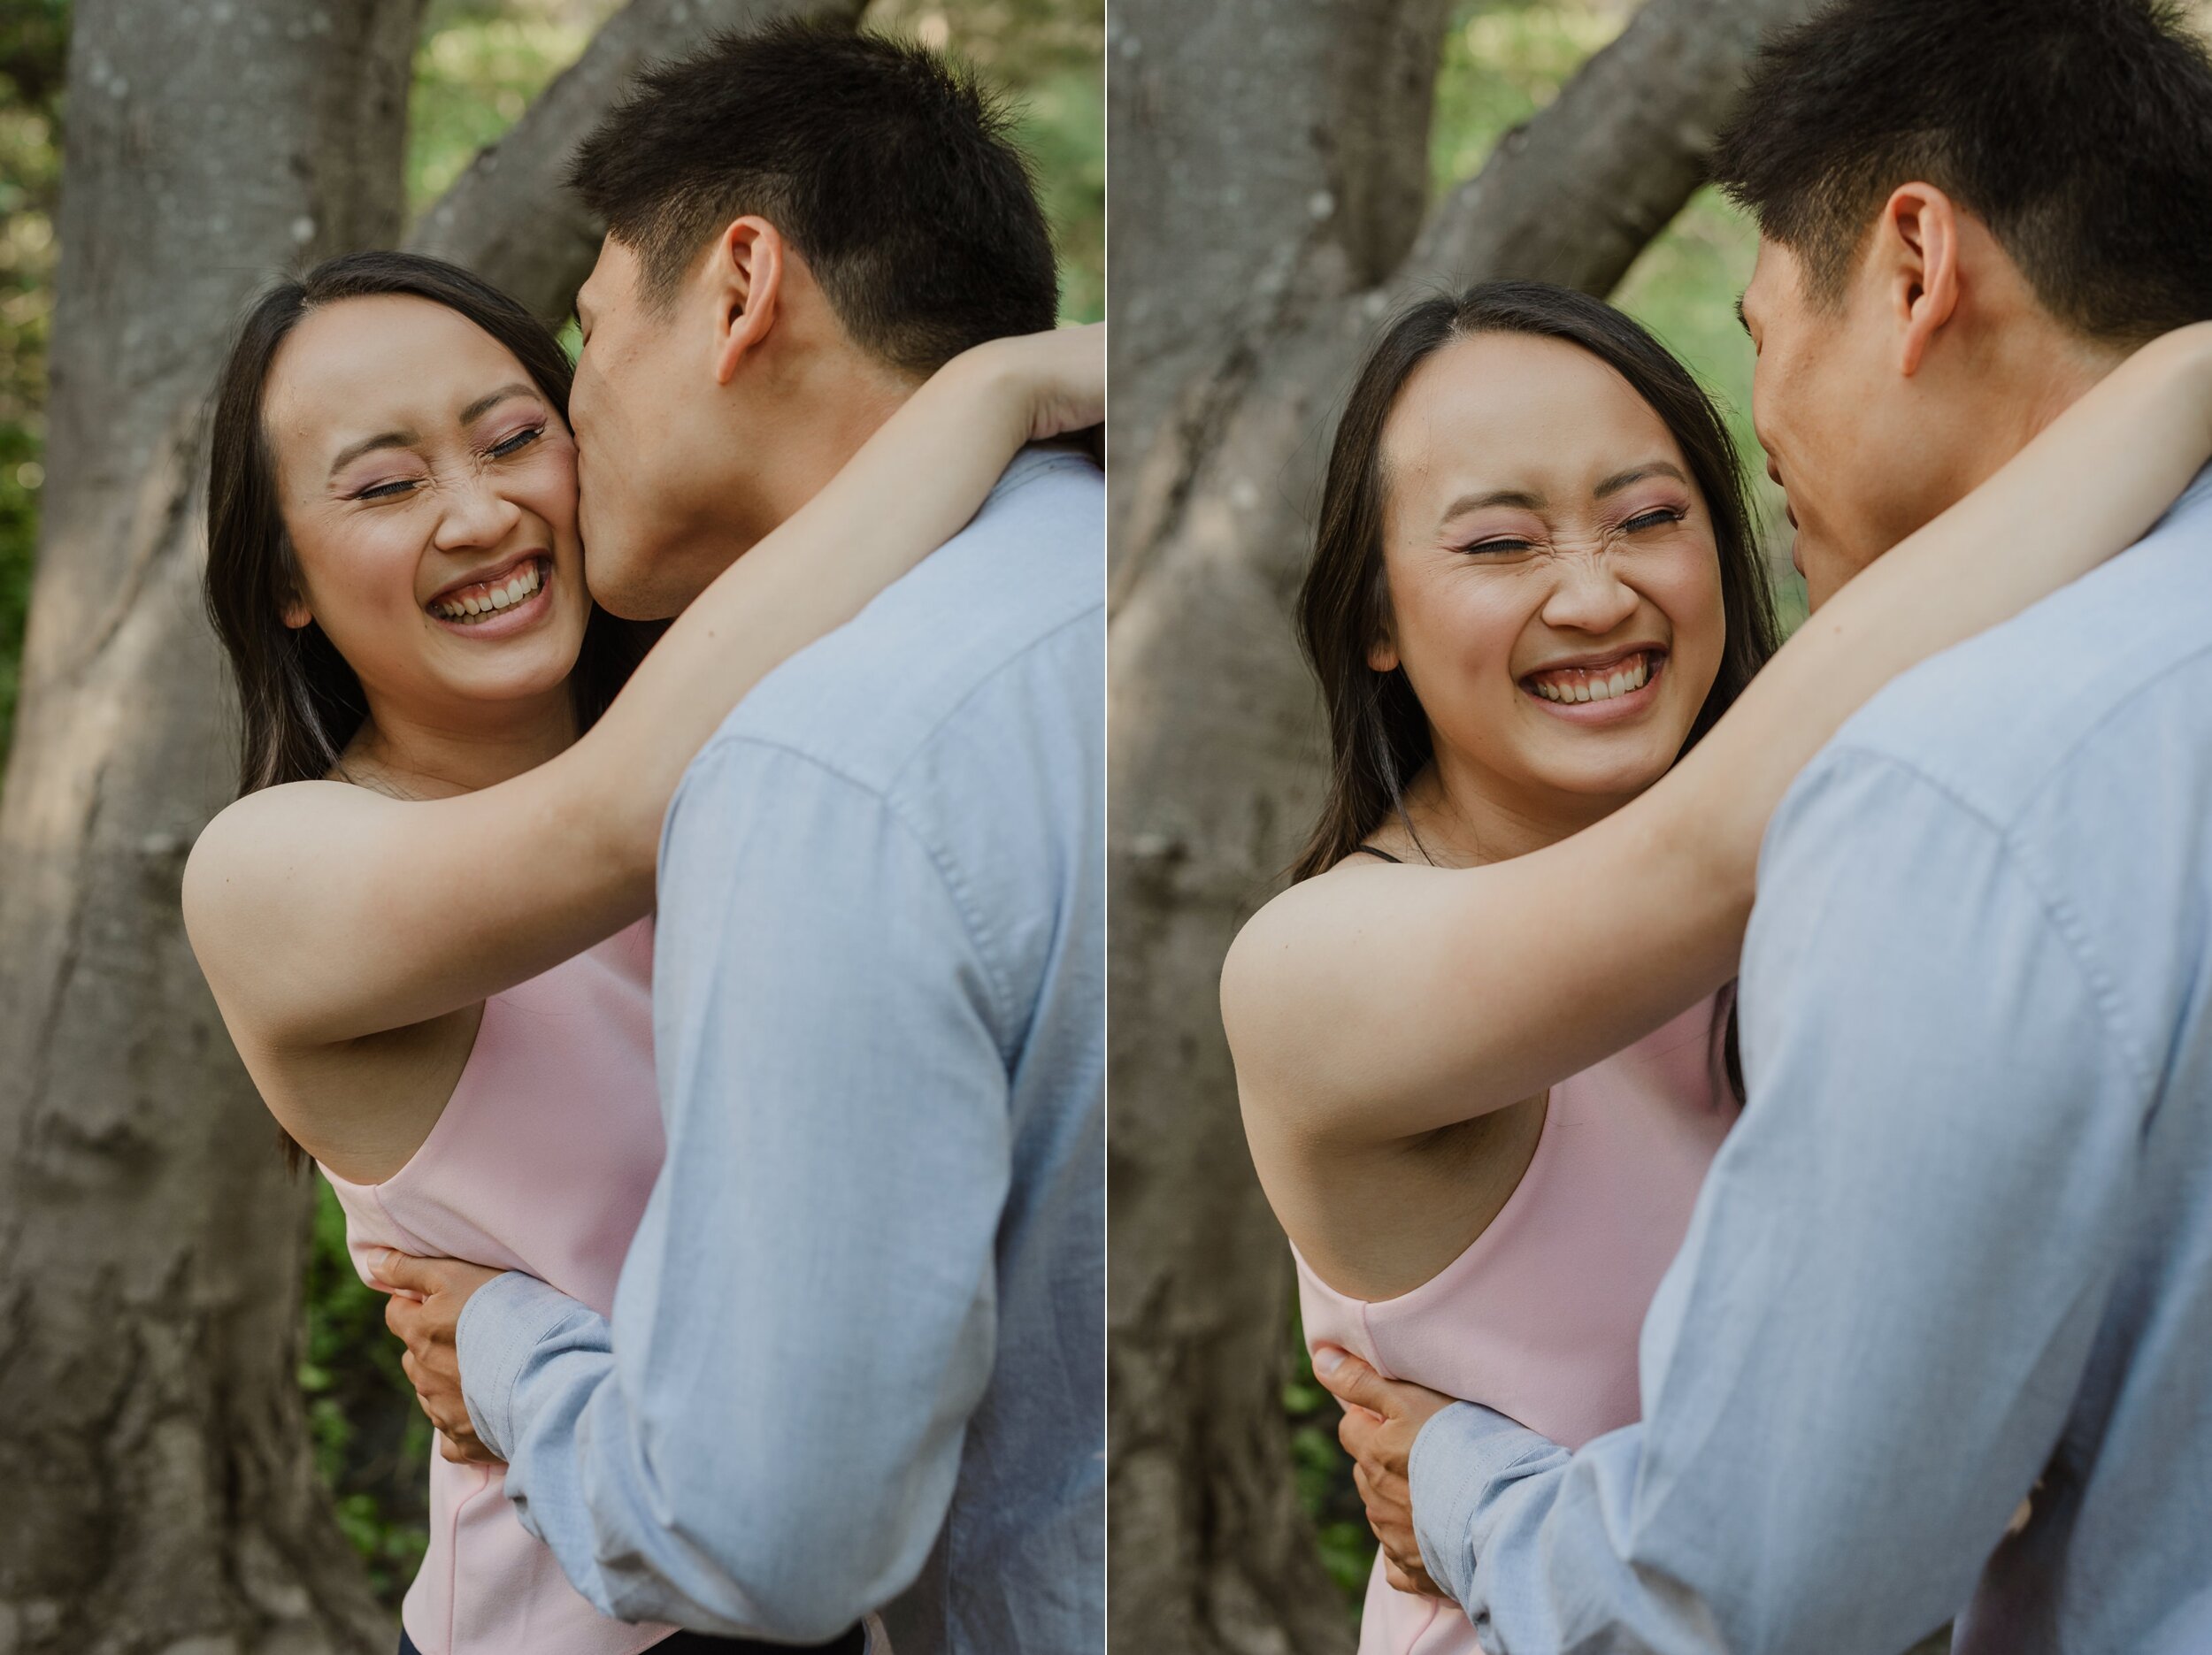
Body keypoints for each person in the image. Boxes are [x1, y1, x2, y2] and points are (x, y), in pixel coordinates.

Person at [1295, 2, 2212, 1651]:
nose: (1598, 590)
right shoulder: (1311, 969)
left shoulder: (1916, 843)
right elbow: (1703, 848)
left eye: (1655, 515)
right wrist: (2177, 381)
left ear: (1917, 268)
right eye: (1498, 542)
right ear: (1372, 611)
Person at [184, 244, 1095, 1655]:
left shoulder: (764, 759)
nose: (481, 513)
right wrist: (989, 389)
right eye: (382, 485)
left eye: (512, 438)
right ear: (284, 581)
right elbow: (604, 822)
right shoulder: (272, 870)